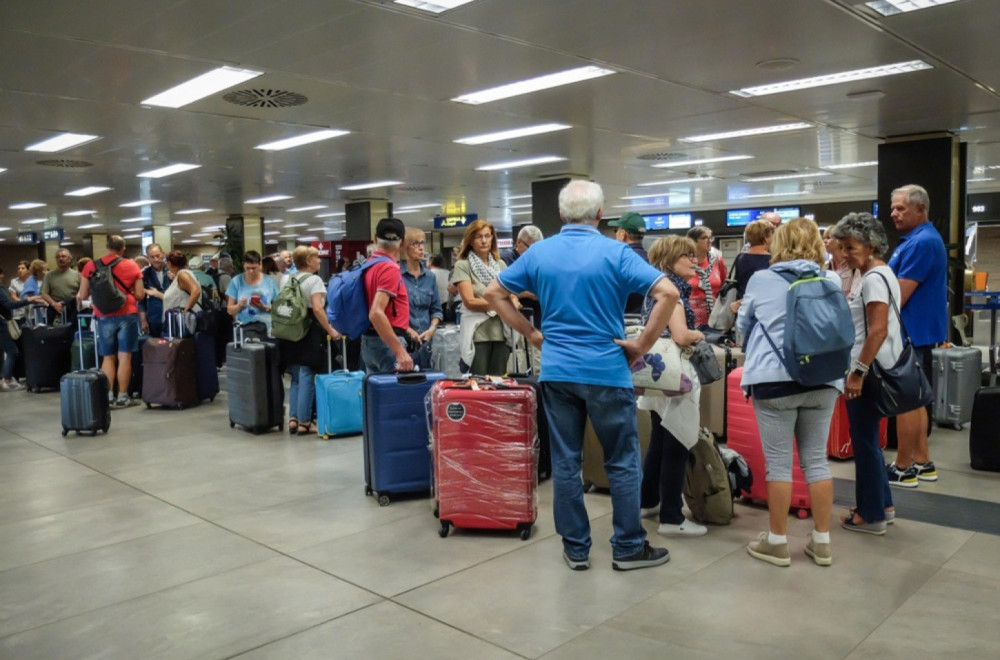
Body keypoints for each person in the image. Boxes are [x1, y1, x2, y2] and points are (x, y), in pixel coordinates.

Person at [484, 179, 680, 572]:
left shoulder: (540, 253)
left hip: (557, 371)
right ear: (600, 215)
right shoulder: (617, 253)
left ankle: (575, 549)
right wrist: (641, 344)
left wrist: (531, 334)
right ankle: (627, 547)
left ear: (560, 215)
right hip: (607, 370)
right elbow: (669, 294)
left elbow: (493, 293)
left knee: (566, 461)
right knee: (622, 461)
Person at [737, 217, 842, 567]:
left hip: (774, 380)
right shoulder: (832, 279)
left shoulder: (762, 279)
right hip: (824, 379)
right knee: (816, 461)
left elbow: (743, 327)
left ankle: (778, 542)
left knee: (779, 464)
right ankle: (822, 542)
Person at [831, 212, 902, 534]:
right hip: (881, 367)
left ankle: (870, 515)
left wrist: (857, 373)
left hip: (870, 370)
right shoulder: (884, 273)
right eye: (842, 247)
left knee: (865, 443)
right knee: (870, 442)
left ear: (871, 245)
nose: (844, 254)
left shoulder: (872, 278)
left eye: (850, 247)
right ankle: (881, 505)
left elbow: (876, 331)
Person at [637, 235, 708, 538]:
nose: (694, 261)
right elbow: (680, 335)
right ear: (669, 259)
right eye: (687, 256)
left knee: (659, 439)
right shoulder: (674, 291)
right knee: (678, 440)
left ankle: (648, 500)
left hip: (656, 375)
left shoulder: (652, 288)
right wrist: (700, 335)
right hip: (675, 375)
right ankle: (671, 517)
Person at [886, 184, 947, 486]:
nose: (894, 213)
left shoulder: (921, 243)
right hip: (918, 332)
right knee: (918, 400)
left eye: (901, 208)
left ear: (921, 208)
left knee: (906, 401)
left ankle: (902, 466)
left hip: (910, 332)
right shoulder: (919, 240)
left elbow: (899, 293)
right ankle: (923, 461)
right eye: (893, 207)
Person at [77, 235, 145, 409]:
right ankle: (123, 396)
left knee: (107, 356)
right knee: (125, 355)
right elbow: (140, 295)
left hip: (103, 315)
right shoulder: (132, 265)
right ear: (123, 248)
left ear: (107, 247)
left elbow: (83, 295)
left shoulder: (91, 265)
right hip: (127, 313)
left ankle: (107, 396)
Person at [279, 245, 340, 436]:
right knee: (307, 374)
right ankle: (305, 421)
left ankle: (293, 418)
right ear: (308, 261)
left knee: (296, 375)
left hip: (289, 330)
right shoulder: (315, 280)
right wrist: (330, 329)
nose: (319, 261)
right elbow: (317, 308)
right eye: (316, 258)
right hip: (308, 331)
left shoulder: (286, 278)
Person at [452, 219, 517, 376]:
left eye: (488, 236)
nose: (484, 241)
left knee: (498, 382)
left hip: (502, 333)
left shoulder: (500, 264)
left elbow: (510, 293)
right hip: (478, 335)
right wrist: (502, 304)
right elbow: (470, 302)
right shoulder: (463, 265)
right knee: (479, 382)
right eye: (478, 237)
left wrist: (513, 300)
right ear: (470, 240)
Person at [361, 218, 413, 373]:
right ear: (402, 242)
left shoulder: (369, 264)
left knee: (376, 394)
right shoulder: (389, 268)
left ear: (375, 239)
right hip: (387, 343)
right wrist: (399, 351)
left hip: (369, 341)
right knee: (394, 395)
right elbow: (376, 313)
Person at [401, 228, 443, 370]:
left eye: (422, 243)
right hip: (403, 343)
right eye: (415, 244)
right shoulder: (396, 275)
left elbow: (436, 310)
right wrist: (407, 330)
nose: (420, 248)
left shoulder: (430, 277)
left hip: (426, 344)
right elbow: (390, 313)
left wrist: (432, 328)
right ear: (405, 246)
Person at [0, 266, 45, 391]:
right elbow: (9, 304)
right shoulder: (1, 289)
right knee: (12, 350)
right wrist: (29, 300)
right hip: (2, 323)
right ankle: (6, 379)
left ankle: (4, 377)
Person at [225, 251, 280, 338]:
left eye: (254, 268)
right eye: (247, 268)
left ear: (260, 265)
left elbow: (279, 308)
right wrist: (240, 305)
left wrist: (264, 307)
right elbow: (230, 310)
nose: (251, 271)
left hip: (267, 327)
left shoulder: (269, 281)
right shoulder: (236, 281)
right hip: (245, 328)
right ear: (243, 265)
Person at [608, 212, 648, 314]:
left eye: (615, 231)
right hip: (645, 320)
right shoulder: (652, 260)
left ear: (622, 234)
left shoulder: (618, 261)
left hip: (622, 320)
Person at [686, 226, 727, 328]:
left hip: (714, 318)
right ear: (693, 241)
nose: (709, 241)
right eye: (704, 238)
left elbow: (723, 286)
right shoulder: (685, 262)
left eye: (710, 238)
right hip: (690, 318)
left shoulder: (717, 261)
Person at [161, 250, 202, 329]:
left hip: (183, 324)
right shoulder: (181, 275)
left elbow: (196, 291)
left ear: (169, 263)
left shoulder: (182, 274)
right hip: (178, 323)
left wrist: (185, 311)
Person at [41, 248, 81, 326]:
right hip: (54, 307)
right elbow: (44, 294)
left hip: (72, 307)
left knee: (72, 332)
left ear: (69, 259)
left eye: (63, 256)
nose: (60, 259)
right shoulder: (49, 275)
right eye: (58, 257)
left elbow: (81, 291)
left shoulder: (77, 275)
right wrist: (54, 304)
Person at [139, 243, 170, 337]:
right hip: (154, 317)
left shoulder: (173, 270)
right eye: (152, 257)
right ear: (148, 258)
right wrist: (143, 320)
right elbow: (141, 301)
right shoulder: (144, 274)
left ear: (163, 254)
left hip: (172, 315)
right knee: (156, 346)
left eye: (158, 256)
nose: (156, 259)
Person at [823, 226, 860, 299]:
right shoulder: (825, 267)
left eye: (828, 237)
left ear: (838, 241)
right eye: (824, 238)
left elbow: (854, 296)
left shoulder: (854, 267)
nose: (824, 241)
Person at [7, 260, 30, 325]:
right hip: (19, 311)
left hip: (33, 311)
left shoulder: (33, 280)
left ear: (28, 270)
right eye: (19, 268)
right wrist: (23, 302)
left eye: (23, 268)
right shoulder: (14, 281)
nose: (20, 270)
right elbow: (13, 296)